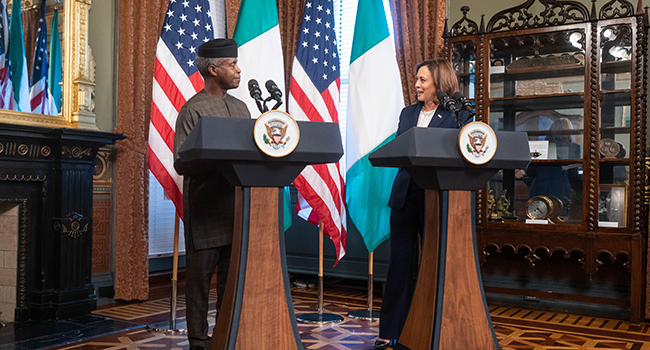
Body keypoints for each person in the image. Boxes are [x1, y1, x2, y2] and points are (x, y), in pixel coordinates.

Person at [374, 58, 472, 349]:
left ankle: (433, 325)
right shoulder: (407, 113)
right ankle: (390, 330)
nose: (416, 85)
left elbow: (464, 151)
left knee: (436, 262)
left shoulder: (460, 113)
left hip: (438, 196)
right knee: (399, 264)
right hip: (406, 195)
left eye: (423, 80)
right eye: (416, 79)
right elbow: (399, 146)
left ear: (439, 83)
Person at [173, 38, 251, 350]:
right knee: (199, 283)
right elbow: (182, 162)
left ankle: (226, 334)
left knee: (231, 282)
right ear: (213, 69)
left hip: (237, 209)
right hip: (206, 211)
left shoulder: (242, 108)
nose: (238, 69)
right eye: (232, 64)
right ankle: (197, 341)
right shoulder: (193, 109)